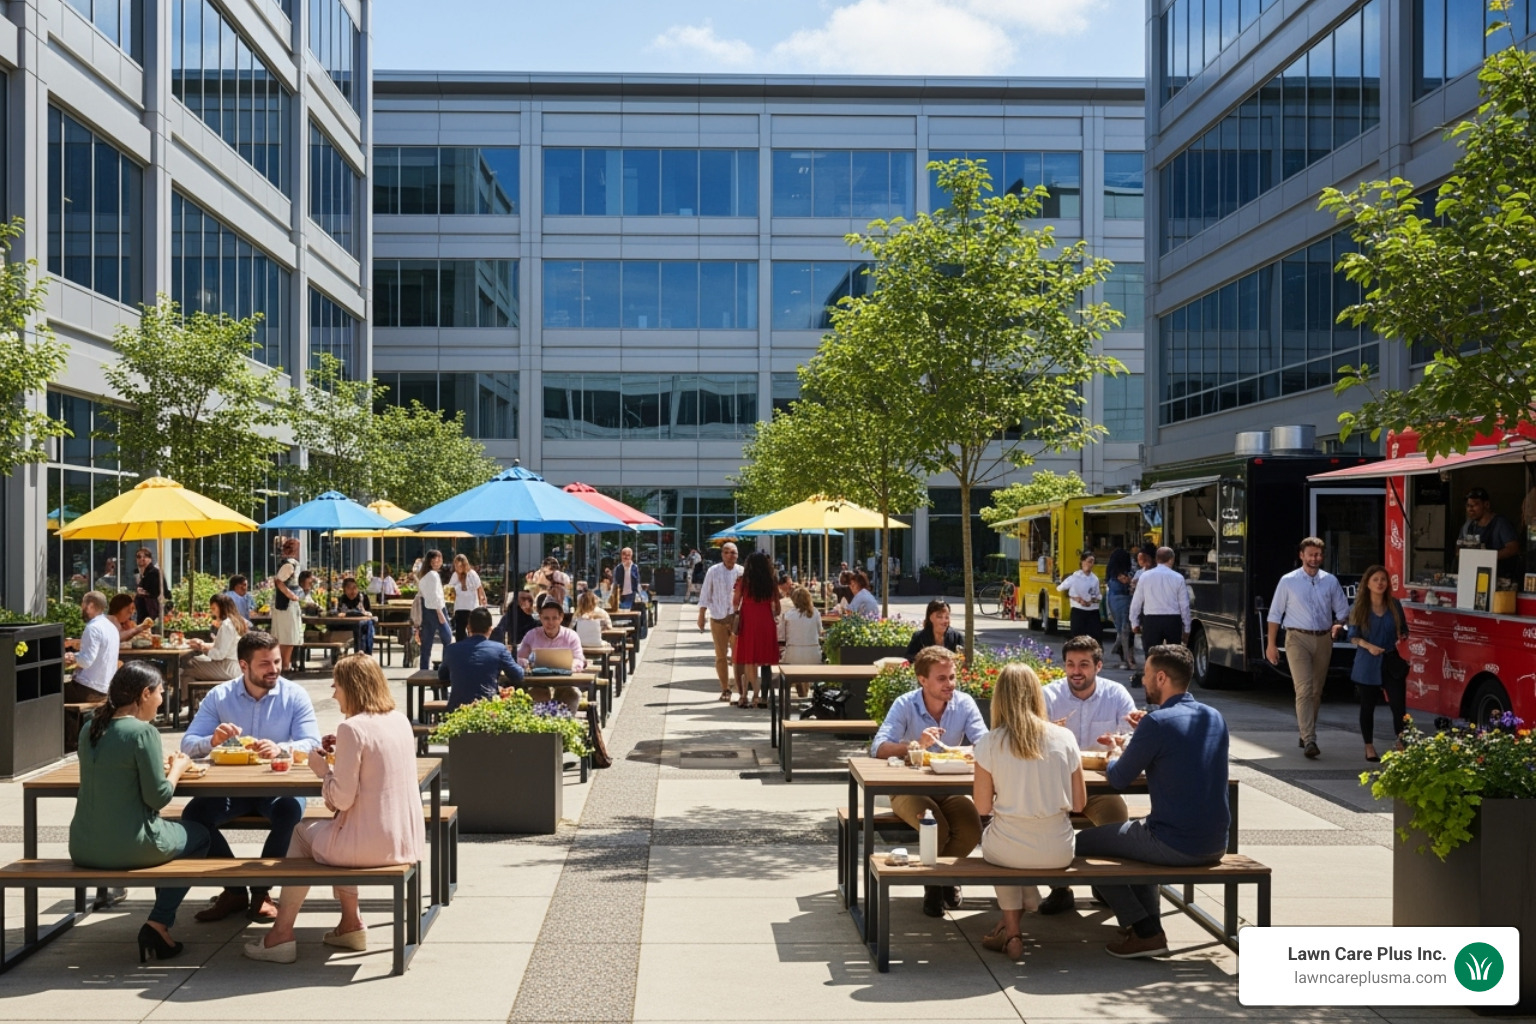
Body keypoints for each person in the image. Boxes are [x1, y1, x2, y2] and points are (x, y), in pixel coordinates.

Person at [245, 655, 426, 962]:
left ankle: (281, 935)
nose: (333, 694)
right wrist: (340, 757)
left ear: (352, 687)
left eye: (336, 686)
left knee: (301, 832)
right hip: (405, 841)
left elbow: (341, 800)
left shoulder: (352, 728)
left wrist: (321, 770)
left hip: (367, 847)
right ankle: (350, 923)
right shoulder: (399, 719)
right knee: (337, 829)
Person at [1075, 644, 1229, 958]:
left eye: (1145, 675)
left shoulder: (1157, 723)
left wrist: (1118, 751)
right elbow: (1182, 755)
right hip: (1216, 841)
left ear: (1160, 677)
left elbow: (1118, 778)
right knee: (1134, 836)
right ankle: (1147, 927)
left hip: (1174, 843)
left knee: (1078, 845)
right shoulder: (1213, 717)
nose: (1142, 681)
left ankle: (1145, 930)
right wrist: (1142, 736)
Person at [69, 662, 211, 961]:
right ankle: (158, 923)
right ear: (145, 694)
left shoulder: (90, 728)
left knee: (174, 830)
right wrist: (178, 768)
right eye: (161, 692)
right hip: (131, 847)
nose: (163, 699)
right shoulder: (142, 732)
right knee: (200, 834)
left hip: (82, 846)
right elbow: (158, 798)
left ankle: (163, 922)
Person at [180, 631, 322, 923]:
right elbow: (188, 744)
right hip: (232, 789)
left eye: (277, 661)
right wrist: (212, 740)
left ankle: (261, 892)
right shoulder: (220, 696)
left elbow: (312, 743)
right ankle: (234, 892)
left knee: (290, 810)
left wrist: (282, 748)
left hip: (279, 786)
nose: (274, 669)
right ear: (243, 666)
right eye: (265, 664)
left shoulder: (294, 695)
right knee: (194, 814)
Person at [973, 663, 1086, 958]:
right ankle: (1019, 915)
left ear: (1000, 698)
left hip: (1008, 847)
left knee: (1002, 846)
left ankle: (1011, 933)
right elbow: (1080, 804)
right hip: (1058, 849)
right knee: (1013, 846)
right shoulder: (1065, 739)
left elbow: (982, 807)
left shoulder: (989, 742)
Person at [869, 646, 989, 917]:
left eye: (952, 677)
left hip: (949, 786)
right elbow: (878, 747)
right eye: (942, 678)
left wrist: (979, 749)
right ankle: (935, 886)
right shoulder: (905, 704)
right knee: (937, 828)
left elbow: (985, 742)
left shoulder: (964, 703)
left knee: (971, 828)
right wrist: (915, 745)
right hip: (907, 789)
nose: (950, 684)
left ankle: (940, 878)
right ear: (922, 680)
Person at [1037, 635, 1138, 916]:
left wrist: (1118, 742)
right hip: (1055, 786)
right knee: (1039, 825)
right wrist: (1045, 733)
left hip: (1100, 787)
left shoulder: (1116, 694)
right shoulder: (1048, 695)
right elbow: (1027, 739)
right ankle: (1059, 890)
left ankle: (1107, 883)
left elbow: (1132, 737)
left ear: (1098, 666)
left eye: (1083, 664)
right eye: (1070, 664)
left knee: (1118, 826)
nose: (1076, 671)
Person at [1264, 536, 1348, 759]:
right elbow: (1274, 614)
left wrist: (1338, 624)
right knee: (1303, 689)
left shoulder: (1329, 581)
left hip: (1322, 639)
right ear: (1301, 555)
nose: (1315, 559)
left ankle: (1305, 730)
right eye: (1310, 555)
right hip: (1296, 638)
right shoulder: (1288, 581)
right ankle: (1310, 738)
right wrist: (1271, 645)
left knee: (1316, 691)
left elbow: (1342, 610)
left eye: (1318, 555)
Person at [1347, 565, 1409, 762]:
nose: (1380, 583)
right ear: (1367, 583)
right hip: (1368, 661)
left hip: (1390, 659)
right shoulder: (1359, 607)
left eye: (1383, 579)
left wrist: (1403, 636)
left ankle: (1401, 742)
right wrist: (1369, 646)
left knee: (1398, 705)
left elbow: (1404, 629)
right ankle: (1369, 746)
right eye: (1376, 579)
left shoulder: (1394, 604)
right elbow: (1352, 636)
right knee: (1368, 706)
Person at [1129, 547, 1191, 689]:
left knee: (1151, 656)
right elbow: (1184, 605)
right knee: (1173, 656)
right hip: (1172, 620)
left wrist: (1135, 622)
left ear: (1156, 559)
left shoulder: (1145, 576)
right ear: (1172, 559)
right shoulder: (1178, 578)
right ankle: (1171, 685)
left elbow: (1137, 601)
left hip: (1151, 620)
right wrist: (1187, 627)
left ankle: (1152, 685)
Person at [442, 607, 525, 712]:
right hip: (487, 711)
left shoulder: (451, 649)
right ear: (490, 629)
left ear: (468, 628)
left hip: (457, 710)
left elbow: (442, 675)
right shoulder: (499, 649)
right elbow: (518, 675)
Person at [517, 598, 587, 711]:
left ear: (561, 618)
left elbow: (579, 659)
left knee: (573, 695)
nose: (550, 622)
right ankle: (541, 725)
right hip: (538, 683)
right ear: (540, 618)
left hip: (565, 682)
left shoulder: (571, 636)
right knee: (537, 696)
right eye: (546, 618)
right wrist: (527, 662)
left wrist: (570, 665)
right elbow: (519, 657)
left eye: (554, 618)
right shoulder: (532, 635)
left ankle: (565, 725)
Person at [732, 551, 781, 709]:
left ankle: (747, 694)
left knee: (749, 658)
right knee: (764, 660)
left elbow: (735, 601)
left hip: (749, 620)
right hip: (766, 621)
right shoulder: (771, 581)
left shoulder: (743, 581)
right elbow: (778, 608)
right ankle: (759, 697)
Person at [697, 542, 744, 701]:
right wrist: (701, 614)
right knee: (721, 656)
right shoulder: (713, 571)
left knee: (739, 656)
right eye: (727, 552)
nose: (730, 555)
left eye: (733, 553)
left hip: (737, 619)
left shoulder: (742, 572)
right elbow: (705, 593)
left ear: (737, 555)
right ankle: (725, 689)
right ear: (722, 555)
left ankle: (741, 688)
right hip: (718, 617)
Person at [64, 591, 119, 704]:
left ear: (91, 605)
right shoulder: (111, 627)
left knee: (49, 693)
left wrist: (72, 658)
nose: (81, 608)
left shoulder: (93, 628)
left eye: (83, 604)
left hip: (89, 689)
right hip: (106, 688)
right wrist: (75, 656)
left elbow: (86, 661)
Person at [1459, 486, 1522, 581]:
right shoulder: (1468, 526)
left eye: (1475, 505)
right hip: (1474, 577)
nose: (1470, 509)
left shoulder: (1500, 523)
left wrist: (1489, 557)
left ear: (1487, 504)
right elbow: (1459, 547)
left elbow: (1513, 548)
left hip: (1500, 580)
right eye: (1468, 505)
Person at [183, 594, 246, 682]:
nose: (213, 613)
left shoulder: (227, 625)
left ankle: (185, 696)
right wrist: (203, 645)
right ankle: (194, 694)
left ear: (222, 608)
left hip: (228, 668)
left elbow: (220, 654)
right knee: (197, 660)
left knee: (188, 666)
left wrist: (202, 649)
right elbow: (223, 646)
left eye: (214, 609)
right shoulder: (237, 622)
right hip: (234, 666)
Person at [778, 586, 823, 694]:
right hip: (813, 655)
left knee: (795, 658)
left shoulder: (788, 615)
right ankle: (804, 691)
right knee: (806, 658)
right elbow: (819, 632)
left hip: (793, 655)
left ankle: (802, 691)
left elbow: (781, 636)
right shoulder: (815, 613)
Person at [271, 538, 304, 674]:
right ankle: (285, 665)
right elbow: (279, 581)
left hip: (288, 604)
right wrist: (290, 594)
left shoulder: (292, 564)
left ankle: (285, 664)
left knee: (288, 636)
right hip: (286, 605)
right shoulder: (289, 565)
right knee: (287, 635)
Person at [416, 549, 453, 670]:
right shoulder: (433, 575)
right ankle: (445, 668)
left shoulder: (424, 576)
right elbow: (434, 596)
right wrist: (440, 613)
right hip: (436, 609)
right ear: (429, 561)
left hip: (427, 609)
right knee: (448, 639)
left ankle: (423, 671)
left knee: (426, 645)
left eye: (439, 559)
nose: (438, 562)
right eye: (434, 560)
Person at [1058, 552, 1102, 639]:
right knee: (1078, 638)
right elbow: (1061, 588)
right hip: (1078, 610)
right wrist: (1077, 599)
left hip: (1092, 611)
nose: (1091, 564)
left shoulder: (1094, 579)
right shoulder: (1075, 577)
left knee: (1095, 637)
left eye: (1093, 562)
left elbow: (1098, 596)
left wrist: (1092, 601)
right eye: (1089, 561)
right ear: (1082, 562)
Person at [1105, 547, 1136, 671]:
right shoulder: (1123, 574)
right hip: (1125, 602)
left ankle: (1123, 654)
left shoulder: (1111, 574)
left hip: (1114, 602)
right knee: (1126, 630)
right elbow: (1130, 583)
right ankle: (1127, 657)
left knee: (1122, 629)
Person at [448, 553, 485, 642]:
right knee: (459, 632)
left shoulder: (472, 574)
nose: (457, 567)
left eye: (460, 565)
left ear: (465, 565)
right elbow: (449, 590)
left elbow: (479, 588)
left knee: (472, 630)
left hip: (472, 607)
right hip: (459, 607)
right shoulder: (455, 576)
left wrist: (482, 601)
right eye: (456, 565)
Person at [335, 576, 376, 655]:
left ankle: (362, 653)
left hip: (362, 624)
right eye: (349, 588)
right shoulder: (342, 599)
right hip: (347, 625)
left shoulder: (363, 598)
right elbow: (339, 613)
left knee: (365, 625)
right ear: (344, 590)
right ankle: (363, 654)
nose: (353, 591)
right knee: (362, 626)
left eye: (354, 588)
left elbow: (369, 612)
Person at [133, 546, 168, 622]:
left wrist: (143, 592)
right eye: (139, 557)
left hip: (150, 612)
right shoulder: (142, 573)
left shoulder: (154, 573)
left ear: (150, 559)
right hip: (143, 611)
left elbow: (156, 592)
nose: (142, 559)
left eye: (145, 556)